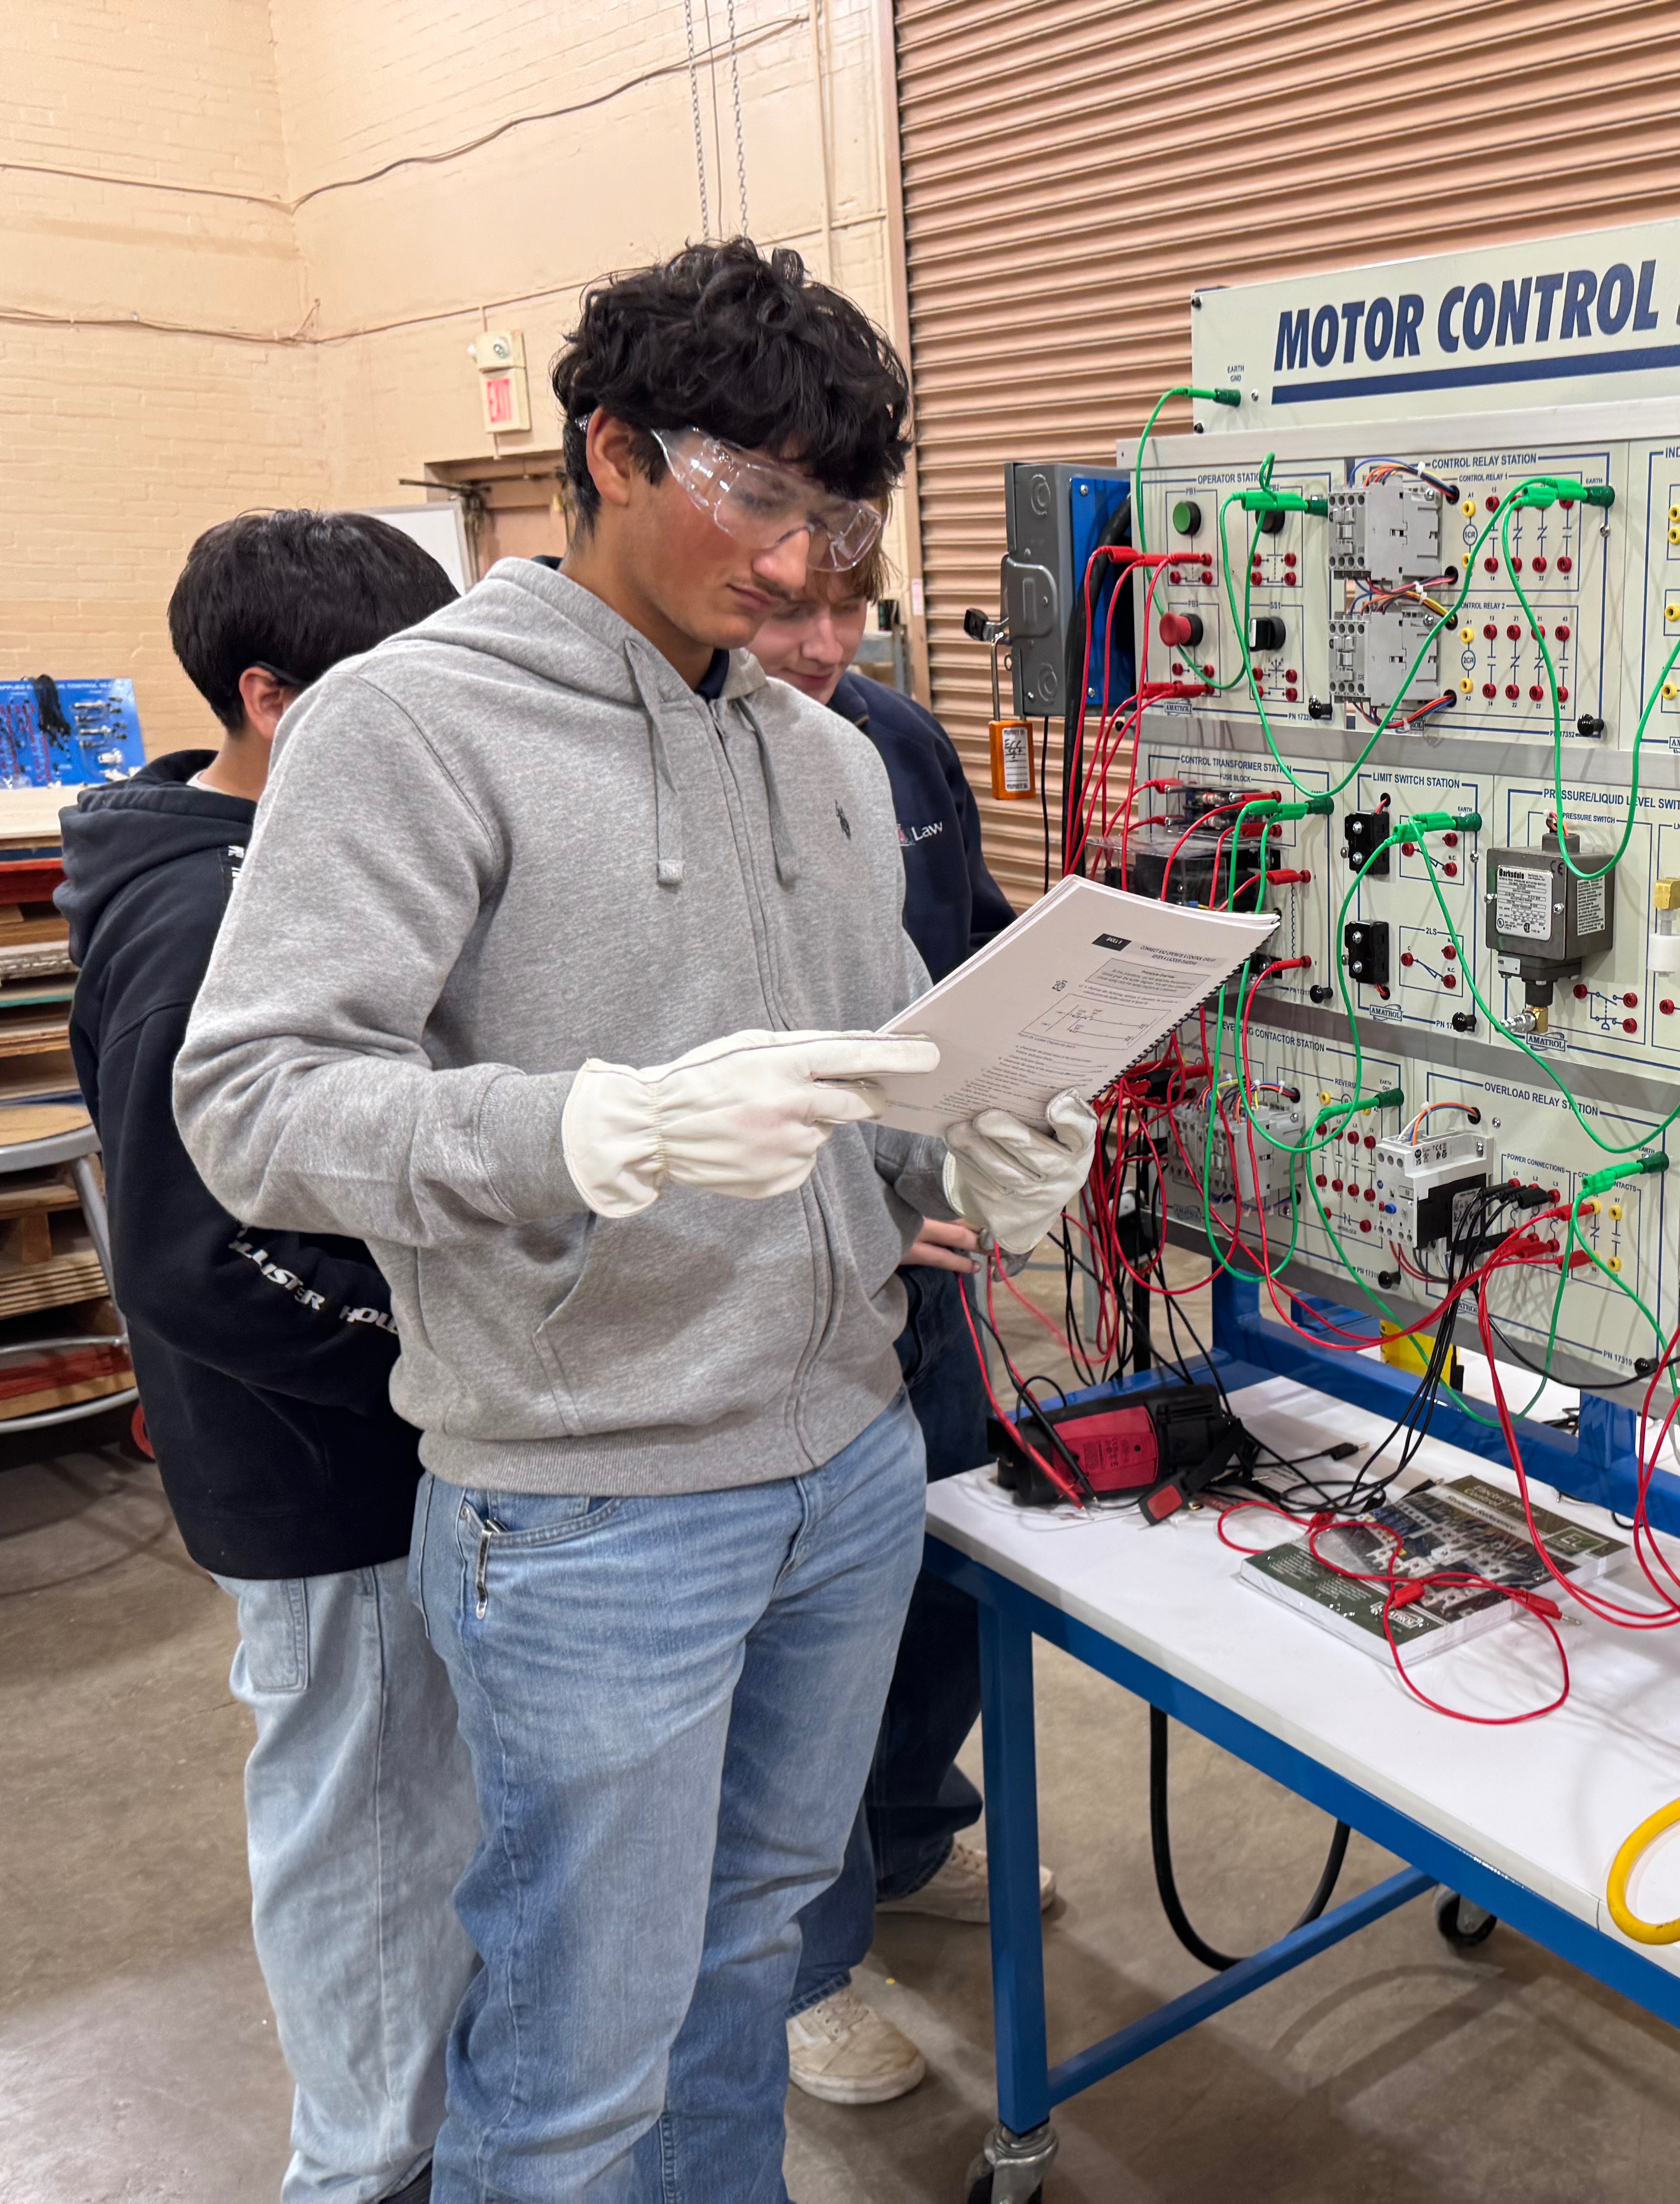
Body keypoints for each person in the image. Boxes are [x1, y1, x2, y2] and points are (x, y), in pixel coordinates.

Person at [172, 240, 1096, 2203]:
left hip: (843, 1465)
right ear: (607, 449)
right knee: (578, 2048)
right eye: (754, 497)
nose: (801, 566)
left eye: (839, 517)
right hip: (591, 1506)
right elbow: (247, 1105)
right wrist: (588, 1129)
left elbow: (875, 1093)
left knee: (747, 1959)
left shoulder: (830, 759)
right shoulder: (410, 731)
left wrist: (975, 1153)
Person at [59, 510, 466, 2204]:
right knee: (364, 1835)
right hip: (323, 1473)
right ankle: (363, 2170)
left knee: (415, 1820)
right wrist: (429, 1360)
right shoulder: (196, 923)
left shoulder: (288, 857)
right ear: (276, 698)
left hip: (378, 1446)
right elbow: (198, 1250)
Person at [746, 555, 1031, 2105]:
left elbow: (967, 961)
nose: (825, 645)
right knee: (805, 1663)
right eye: (793, 613)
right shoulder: (711, 772)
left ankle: (913, 1831)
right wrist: (859, 1197)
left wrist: (1012, 1106)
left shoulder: (894, 745)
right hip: (802, 1298)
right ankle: (811, 1965)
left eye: (852, 611)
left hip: (930, 1274)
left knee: (947, 1586)